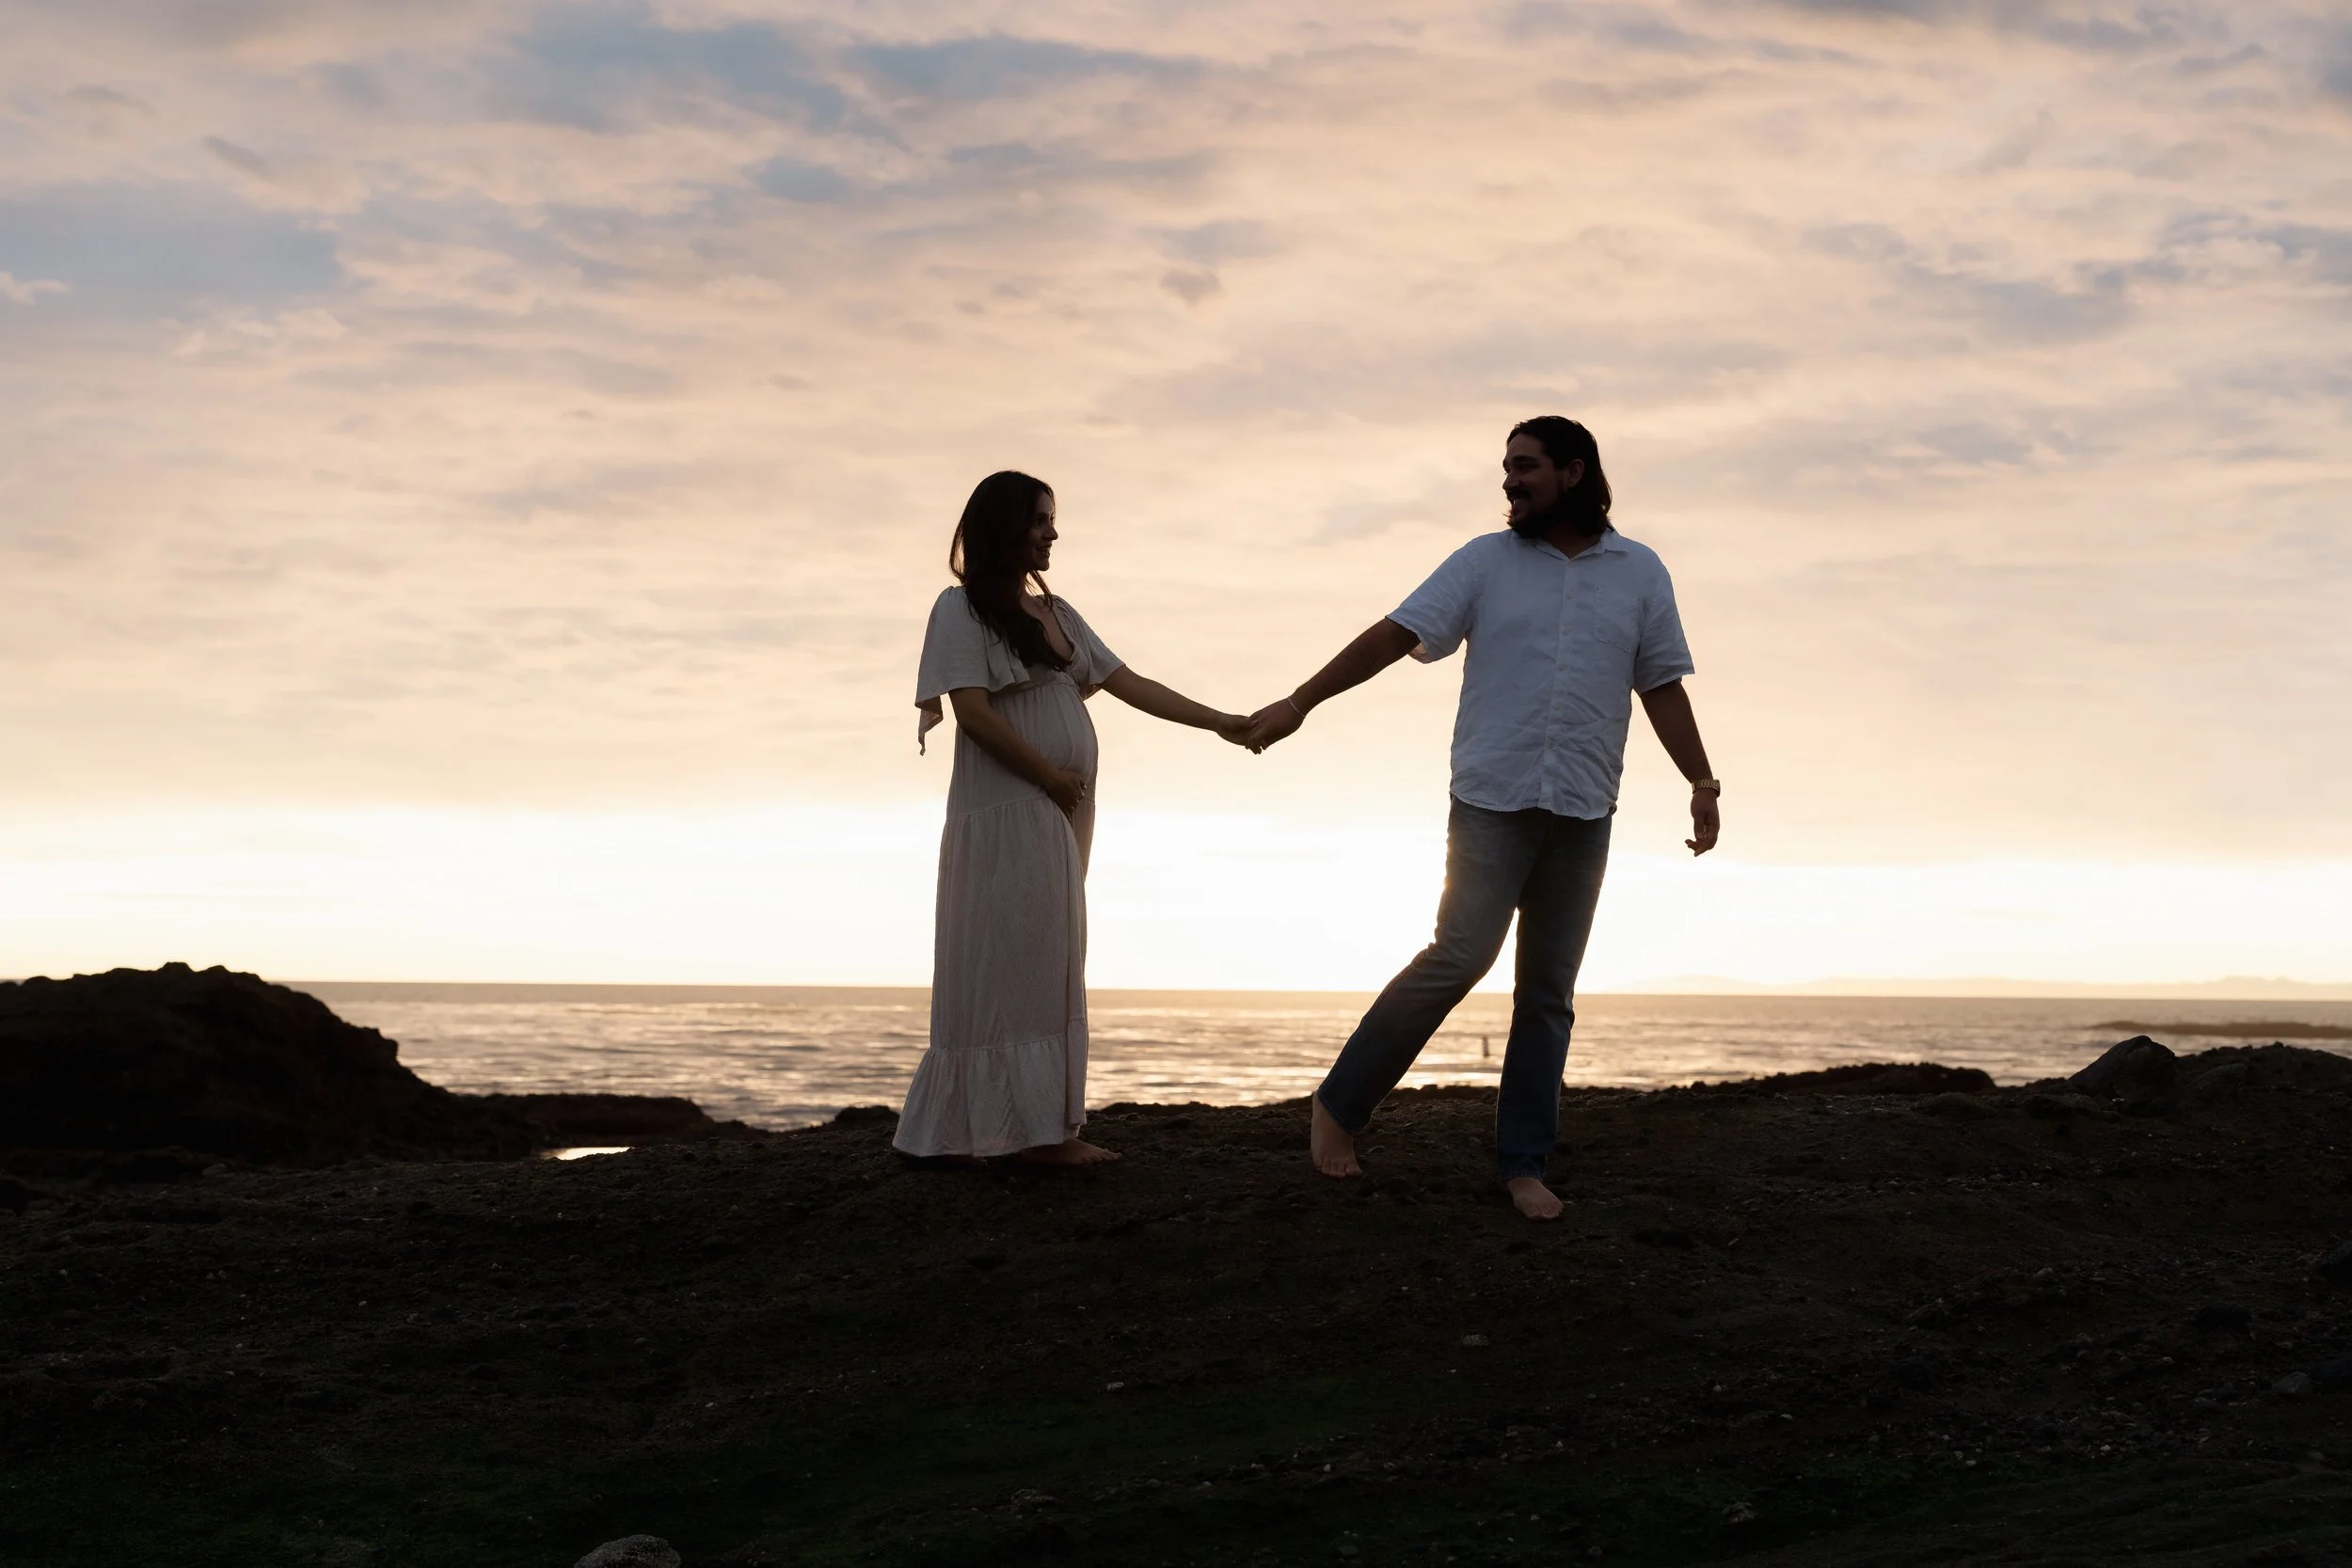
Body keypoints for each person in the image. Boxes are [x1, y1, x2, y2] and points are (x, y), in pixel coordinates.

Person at [1243, 418, 1719, 1219]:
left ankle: (1523, 1164)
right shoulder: (1484, 562)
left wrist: (1701, 780)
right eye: (1506, 467)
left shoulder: (1640, 571)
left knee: (1547, 994)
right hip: (1492, 798)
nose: (1509, 481)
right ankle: (1340, 1104)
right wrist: (1300, 700)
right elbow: (1396, 635)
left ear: (1574, 472)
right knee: (1459, 955)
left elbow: (1661, 683)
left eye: (1525, 467)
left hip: (1583, 803)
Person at [898, 470, 1251, 1165]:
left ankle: (1029, 1127)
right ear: (1004, 526)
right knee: (1017, 951)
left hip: (1058, 802)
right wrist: (1048, 774)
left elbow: (1129, 682)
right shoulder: (959, 608)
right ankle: (1030, 1139)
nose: (1052, 533)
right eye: (1039, 520)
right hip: (1010, 802)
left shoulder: (1059, 613)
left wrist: (1220, 722)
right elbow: (971, 711)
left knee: (1050, 949)